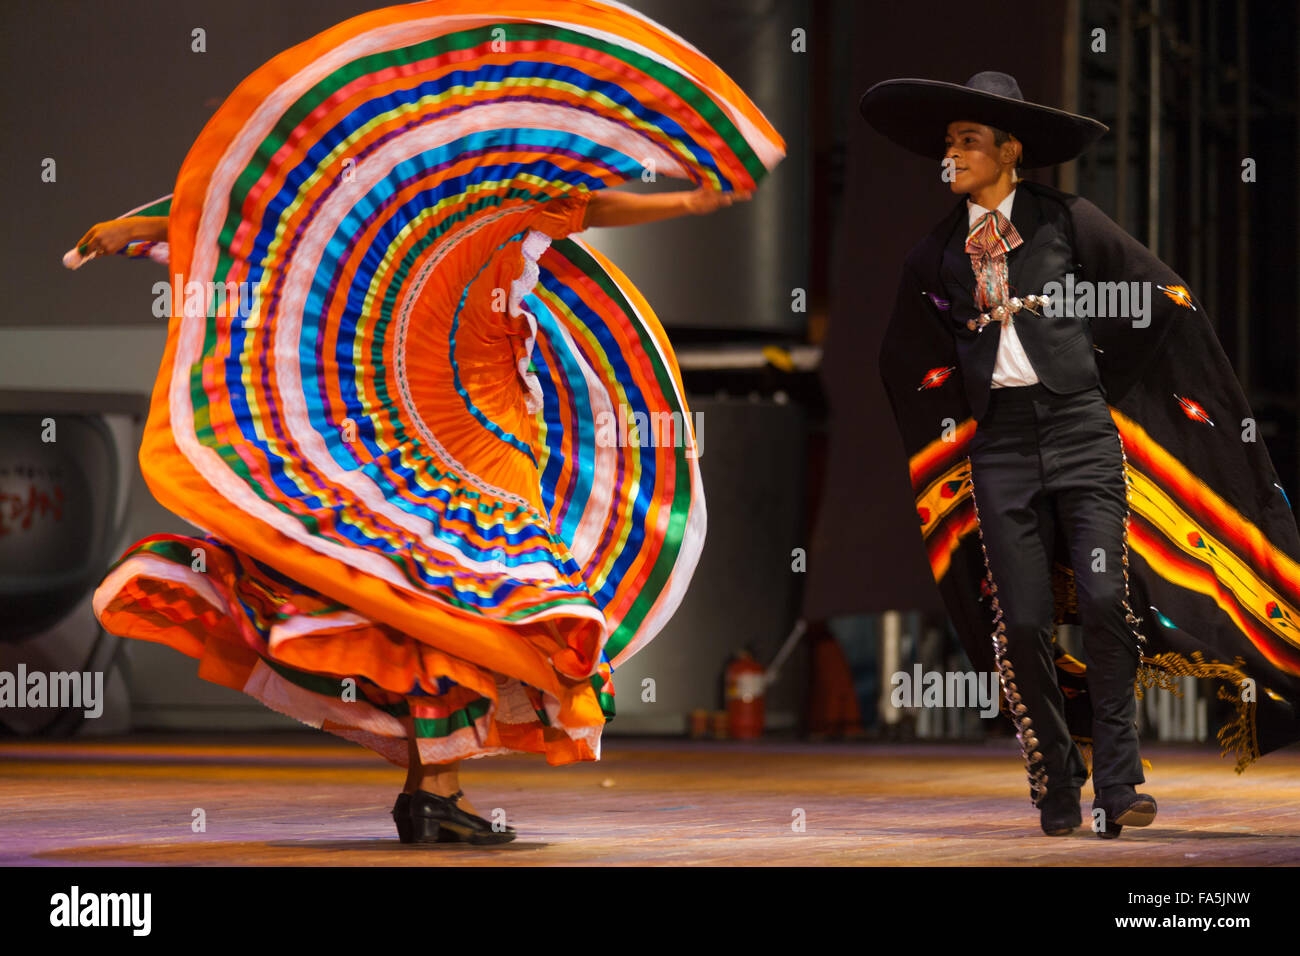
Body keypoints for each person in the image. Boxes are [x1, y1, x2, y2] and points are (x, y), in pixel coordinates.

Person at [75, 0, 783, 846]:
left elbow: (591, 207)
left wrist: (691, 200)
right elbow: (271, 220)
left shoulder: (496, 213)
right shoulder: (443, 214)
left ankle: (431, 791)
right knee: (467, 606)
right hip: (453, 434)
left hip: (484, 426)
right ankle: (437, 789)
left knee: (442, 606)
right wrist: (144, 227)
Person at [861, 71, 1300, 838]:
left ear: (1010, 150)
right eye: (949, 143)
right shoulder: (935, 254)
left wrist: (1097, 378)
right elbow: (904, 358)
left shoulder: (1067, 222)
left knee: (1104, 601)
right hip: (1000, 448)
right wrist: (958, 395)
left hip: (1080, 435)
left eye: (968, 141)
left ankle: (1120, 784)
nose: (951, 154)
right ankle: (1059, 776)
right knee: (1023, 621)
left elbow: (1163, 298)